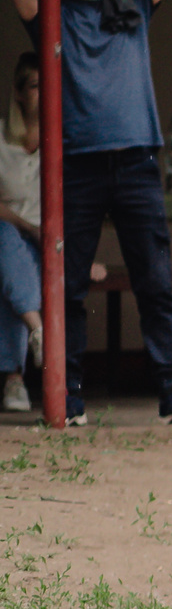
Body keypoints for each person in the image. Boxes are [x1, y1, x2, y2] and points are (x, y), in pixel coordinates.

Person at [7, 0, 172, 425]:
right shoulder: (51, 14)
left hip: (139, 159)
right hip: (76, 164)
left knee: (154, 280)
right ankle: (67, 396)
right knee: (68, 286)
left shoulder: (134, 0)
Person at [2, 55, 44, 412]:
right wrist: (29, 227)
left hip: (46, 245)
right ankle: (37, 327)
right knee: (4, 239)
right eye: (35, 86)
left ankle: (14, 380)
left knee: (11, 274)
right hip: (12, 234)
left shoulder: (61, 141)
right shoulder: (0, 140)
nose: (44, 94)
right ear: (18, 93)